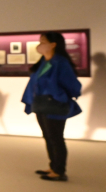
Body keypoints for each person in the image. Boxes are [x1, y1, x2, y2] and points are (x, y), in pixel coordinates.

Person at [21, 32, 82, 182]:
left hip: (54, 105)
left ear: (53, 44)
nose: (39, 45)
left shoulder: (60, 62)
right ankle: (53, 166)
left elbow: (72, 85)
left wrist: (59, 96)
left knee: (56, 138)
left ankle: (59, 171)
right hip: (41, 104)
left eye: (43, 41)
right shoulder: (44, 62)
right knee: (48, 137)